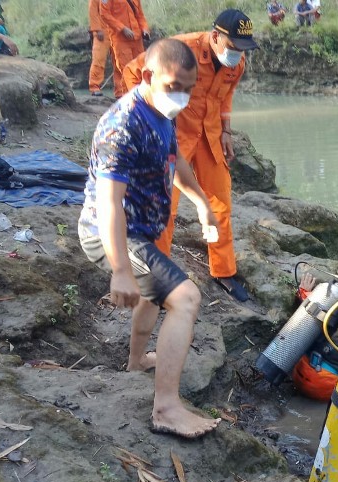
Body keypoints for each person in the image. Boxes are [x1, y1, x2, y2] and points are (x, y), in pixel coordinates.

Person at [77, 38, 222, 439]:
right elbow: (108, 204)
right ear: (148, 76)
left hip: (144, 228)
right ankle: (167, 409)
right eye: (175, 85)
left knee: (153, 294)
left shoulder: (162, 112)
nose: (183, 96)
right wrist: (120, 269)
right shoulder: (122, 124)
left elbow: (175, 160)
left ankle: (137, 361)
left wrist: (202, 203)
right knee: (185, 298)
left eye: (190, 88)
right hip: (112, 232)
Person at [122, 9, 258, 302]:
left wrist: (226, 130)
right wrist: (147, 117)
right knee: (164, 207)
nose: (237, 55)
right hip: (175, 136)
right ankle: (157, 275)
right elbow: (133, 70)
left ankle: (223, 271)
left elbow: (227, 94)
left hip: (208, 136)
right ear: (215, 37)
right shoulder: (181, 51)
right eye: (232, 48)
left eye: (242, 49)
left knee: (220, 202)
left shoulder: (238, 61)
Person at [98, 0, 149, 98]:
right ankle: (128, 97)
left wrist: (145, 29)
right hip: (119, 38)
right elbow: (104, 14)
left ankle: (126, 94)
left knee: (141, 67)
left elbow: (140, 15)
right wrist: (122, 28)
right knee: (125, 68)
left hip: (137, 38)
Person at [87, 0, 111, 97]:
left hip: (117, 30)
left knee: (120, 61)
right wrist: (97, 29)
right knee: (98, 60)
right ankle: (94, 86)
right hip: (102, 32)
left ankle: (120, 89)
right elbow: (93, 12)